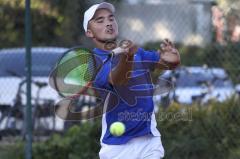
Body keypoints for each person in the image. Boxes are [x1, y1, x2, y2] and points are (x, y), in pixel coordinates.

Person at [83, 2, 180, 159]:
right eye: (100, 21)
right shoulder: (93, 62)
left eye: (111, 18)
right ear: (89, 32)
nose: (108, 23)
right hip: (116, 148)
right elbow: (117, 80)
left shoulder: (137, 53)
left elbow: (167, 63)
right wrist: (127, 57)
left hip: (149, 141)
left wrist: (173, 57)